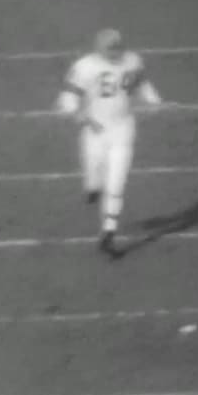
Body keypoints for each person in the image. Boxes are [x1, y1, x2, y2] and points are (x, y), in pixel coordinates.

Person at [56, 29, 164, 258]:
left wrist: (154, 101)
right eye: (110, 48)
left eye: (117, 47)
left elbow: (141, 84)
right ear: (99, 48)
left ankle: (108, 232)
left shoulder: (133, 61)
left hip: (123, 129)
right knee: (94, 175)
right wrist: (82, 117)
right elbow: (67, 99)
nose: (115, 52)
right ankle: (92, 187)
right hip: (95, 131)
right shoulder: (85, 67)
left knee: (116, 184)